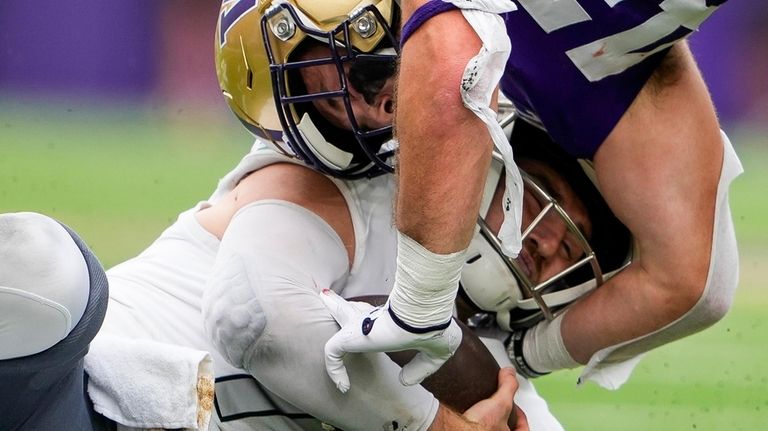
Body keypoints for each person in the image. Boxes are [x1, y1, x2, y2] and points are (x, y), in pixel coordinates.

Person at [0, 1, 609, 429]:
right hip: (71, 396)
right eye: (337, 98)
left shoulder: (490, 356)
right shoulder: (326, 186)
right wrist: (433, 426)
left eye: (368, 72)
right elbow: (257, 317)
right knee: (38, 262)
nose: (377, 115)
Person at [324, 0, 744, 393]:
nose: (543, 241)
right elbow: (693, 283)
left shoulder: (577, 92)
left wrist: (424, 307)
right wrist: (518, 354)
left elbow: (455, 60)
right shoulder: (588, 94)